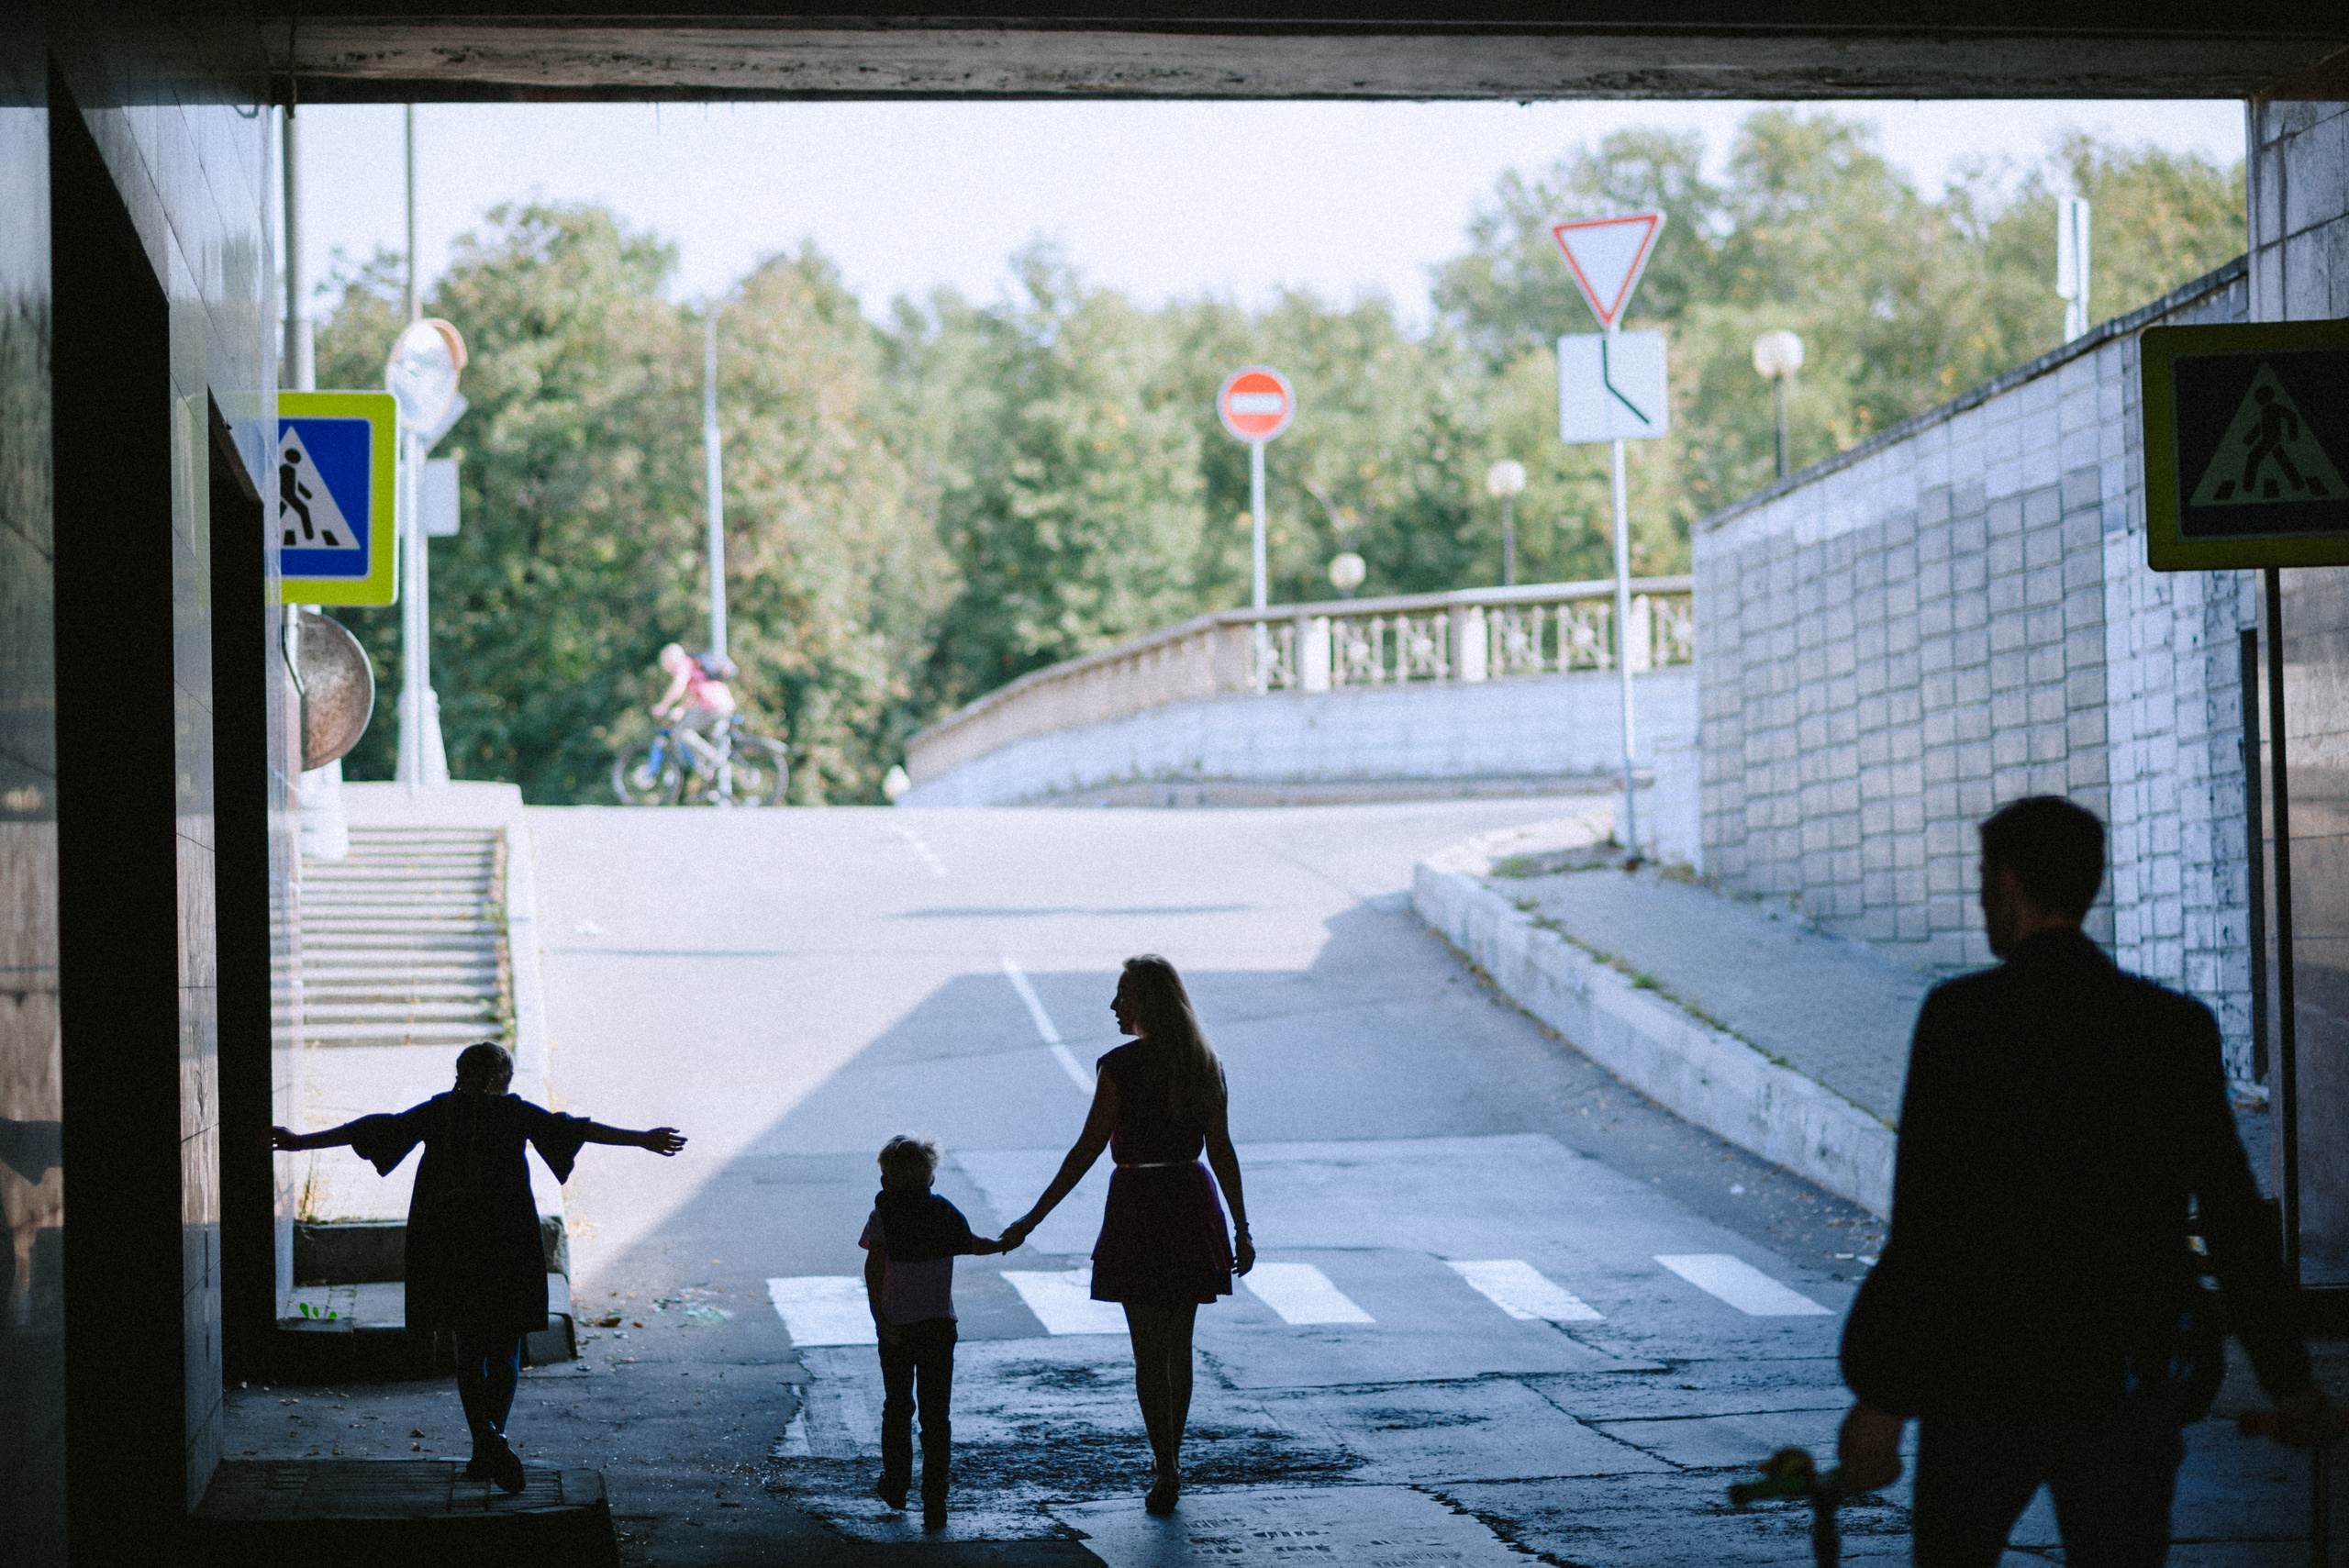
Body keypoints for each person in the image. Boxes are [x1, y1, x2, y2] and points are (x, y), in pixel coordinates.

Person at [1836, 796, 2338, 1566]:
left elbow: (1929, 1225)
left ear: (2005, 883)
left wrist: (1883, 1398)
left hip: (1983, 1381)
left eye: (1981, 879)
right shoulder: (2173, 1028)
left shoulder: (1962, 1019)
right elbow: (2233, 1216)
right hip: (2125, 1379)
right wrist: (2290, 1381)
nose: (1979, 899)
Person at [273, 1041, 686, 1492]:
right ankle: (495, 1437)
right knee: (506, 1349)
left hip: (452, 1245)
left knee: (469, 1350)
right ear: (501, 1078)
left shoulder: (438, 1111)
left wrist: (299, 1143)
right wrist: (643, 1139)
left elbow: (372, 1128)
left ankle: (483, 1444)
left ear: (460, 1072)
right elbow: (578, 1130)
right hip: (508, 1244)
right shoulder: (514, 1113)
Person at [1000, 954, 1253, 1516]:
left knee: (1148, 1351)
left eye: (1124, 995)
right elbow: (1222, 1150)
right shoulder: (1204, 1065)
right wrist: (1241, 1227)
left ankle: (1165, 1464)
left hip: (1138, 1206)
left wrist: (1031, 1220)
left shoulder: (1119, 1067)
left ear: (1149, 1003)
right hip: (1191, 1203)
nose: (1115, 1006)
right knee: (1177, 1346)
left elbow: (1085, 1151)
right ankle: (1172, 1461)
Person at [860, 1133, 1007, 1529]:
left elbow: (873, 1270)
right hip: (939, 1326)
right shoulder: (943, 1212)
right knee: (936, 1415)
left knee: (898, 1406)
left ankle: (895, 1483)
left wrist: (881, 1318)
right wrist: (1003, 1243)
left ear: (885, 1180)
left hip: (896, 1327)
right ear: (931, 1179)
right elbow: (973, 1244)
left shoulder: (883, 1215)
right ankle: (935, 1498)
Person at [651, 642, 735, 740]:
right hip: (726, 705)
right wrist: (681, 709)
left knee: (680, 730)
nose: (663, 665)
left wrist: (663, 706)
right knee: (706, 738)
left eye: (663, 660)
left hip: (712, 707)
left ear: (670, 658)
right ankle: (708, 754)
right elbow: (696, 697)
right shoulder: (693, 666)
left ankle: (712, 755)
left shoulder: (682, 664)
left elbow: (678, 687)